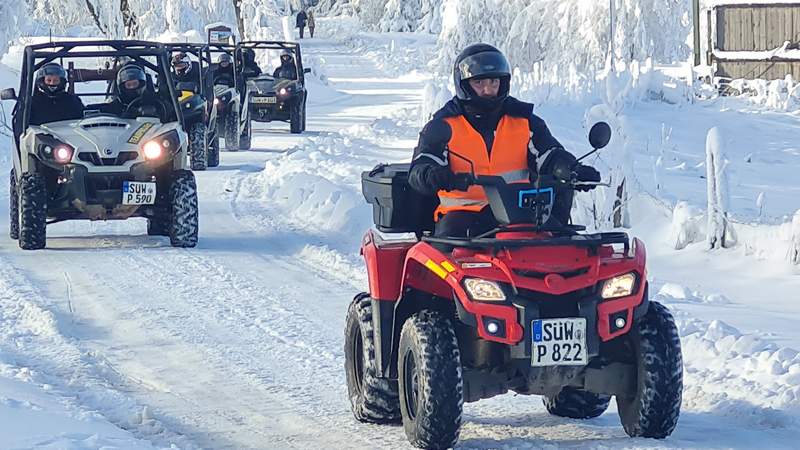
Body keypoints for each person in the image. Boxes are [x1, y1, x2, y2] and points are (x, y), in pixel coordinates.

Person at [408, 43, 601, 241]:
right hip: (463, 216)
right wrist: (432, 175)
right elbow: (421, 165)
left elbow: (549, 154)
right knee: (447, 256)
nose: (488, 90)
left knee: (565, 244)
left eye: (493, 82)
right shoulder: (444, 126)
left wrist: (570, 168)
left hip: (520, 214)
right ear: (464, 85)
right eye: (479, 83)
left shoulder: (524, 121)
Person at [89, 64, 162, 118]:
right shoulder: (118, 104)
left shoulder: (154, 100)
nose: (132, 87)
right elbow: (102, 109)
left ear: (141, 84)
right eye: (129, 85)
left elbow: (169, 111)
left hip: (151, 135)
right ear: (122, 87)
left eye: (135, 84)